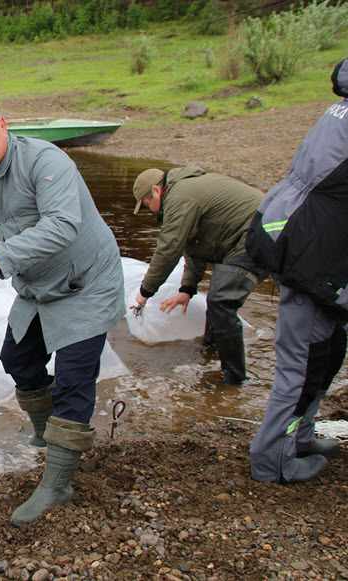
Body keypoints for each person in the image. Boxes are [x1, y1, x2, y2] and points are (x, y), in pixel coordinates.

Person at [0, 97, 124, 526]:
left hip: (86, 283)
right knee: (18, 360)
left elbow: (61, 225)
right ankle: (47, 434)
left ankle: (58, 483)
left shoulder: (45, 160)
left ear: (3, 125)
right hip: (39, 290)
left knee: (76, 378)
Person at [246, 57, 348, 484]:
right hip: (314, 248)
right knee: (301, 364)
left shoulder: (340, 105)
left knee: (326, 352)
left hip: (308, 237)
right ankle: (274, 462)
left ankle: (300, 436)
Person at [131, 166, 268, 384]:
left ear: (157, 190)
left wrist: (144, 293)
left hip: (260, 233)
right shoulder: (184, 192)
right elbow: (194, 247)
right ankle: (212, 354)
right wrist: (187, 289)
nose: (151, 211)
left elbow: (169, 248)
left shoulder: (180, 196)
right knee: (217, 301)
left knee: (221, 302)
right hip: (246, 236)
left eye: (147, 205)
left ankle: (234, 381)